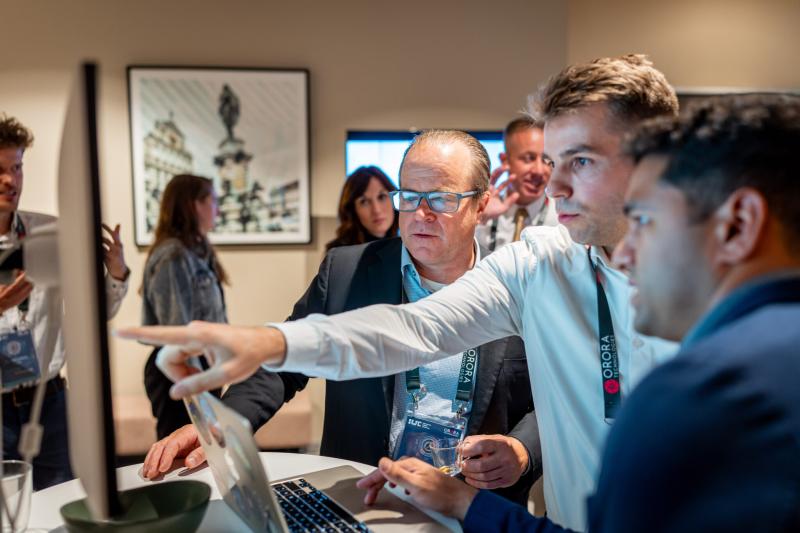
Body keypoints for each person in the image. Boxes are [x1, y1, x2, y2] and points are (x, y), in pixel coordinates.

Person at [118, 54, 681, 531]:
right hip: (397, 498)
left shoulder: (726, 291)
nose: (553, 187)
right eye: (408, 197)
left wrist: (512, 456)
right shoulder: (539, 263)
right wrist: (268, 343)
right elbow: (413, 329)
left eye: (579, 161)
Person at [353, 94, 800, 533]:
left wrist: (469, 501)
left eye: (647, 220)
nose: (626, 258)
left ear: (740, 223)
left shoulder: (695, 391)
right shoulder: (538, 267)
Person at [142, 130, 542, 506]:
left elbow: (556, 396)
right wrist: (221, 426)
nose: (421, 214)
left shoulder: (520, 290)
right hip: (364, 496)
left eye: (440, 199)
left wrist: (523, 451)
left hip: (474, 508)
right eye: (409, 195)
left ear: (481, 204)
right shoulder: (347, 273)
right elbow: (283, 365)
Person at [0, 114, 129, 490]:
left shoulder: (50, 232)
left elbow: (94, 312)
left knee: (60, 506)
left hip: (50, 403)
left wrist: (116, 275)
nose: (11, 180)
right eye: (0, 170)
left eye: (17, 167)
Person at [141, 174, 228, 439]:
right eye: (212, 200)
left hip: (198, 368)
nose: (218, 208)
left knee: (206, 450)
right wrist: (197, 381)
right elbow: (178, 334)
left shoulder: (198, 250)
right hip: (178, 370)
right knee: (180, 458)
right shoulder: (173, 255)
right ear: (193, 205)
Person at [476, 117, 557, 251]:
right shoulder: (483, 214)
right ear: (505, 161)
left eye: (546, 159)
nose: (539, 170)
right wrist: (480, 218)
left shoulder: (564, 220)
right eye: (529, 158)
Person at [325, 166, 398, 250]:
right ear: (352, 210)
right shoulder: (339, 255)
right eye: (364, 202)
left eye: (381, 197)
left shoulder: (405, 245)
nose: (376, 210)